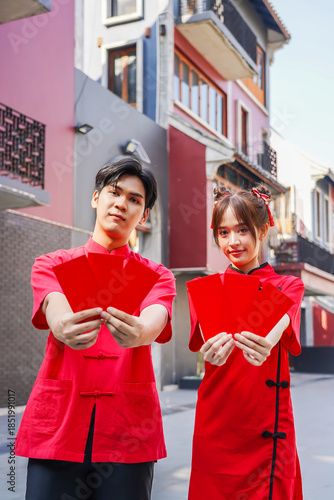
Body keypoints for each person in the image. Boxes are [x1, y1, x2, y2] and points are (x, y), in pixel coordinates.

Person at [15, 156, 176, 500]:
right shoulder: (53, 263)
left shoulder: (157, 275)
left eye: (135, 200)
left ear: (144, 216)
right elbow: (54, 307)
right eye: (115, 192)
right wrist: (62, 325)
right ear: (96, 197)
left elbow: (155, 317)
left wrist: (140, 332)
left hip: (128, 430)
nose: (122, 203)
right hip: (58, 425)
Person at [187, 184, 304, 500]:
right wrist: (208, 355)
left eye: (242, 230)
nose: (233, 241)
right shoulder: (203, 289)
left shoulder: (288, 285)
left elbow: (282, 319)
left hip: (267, 427)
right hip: (219, 422)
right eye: (223, 233)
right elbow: (203, 348)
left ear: (263, 229)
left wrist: (269, 336)